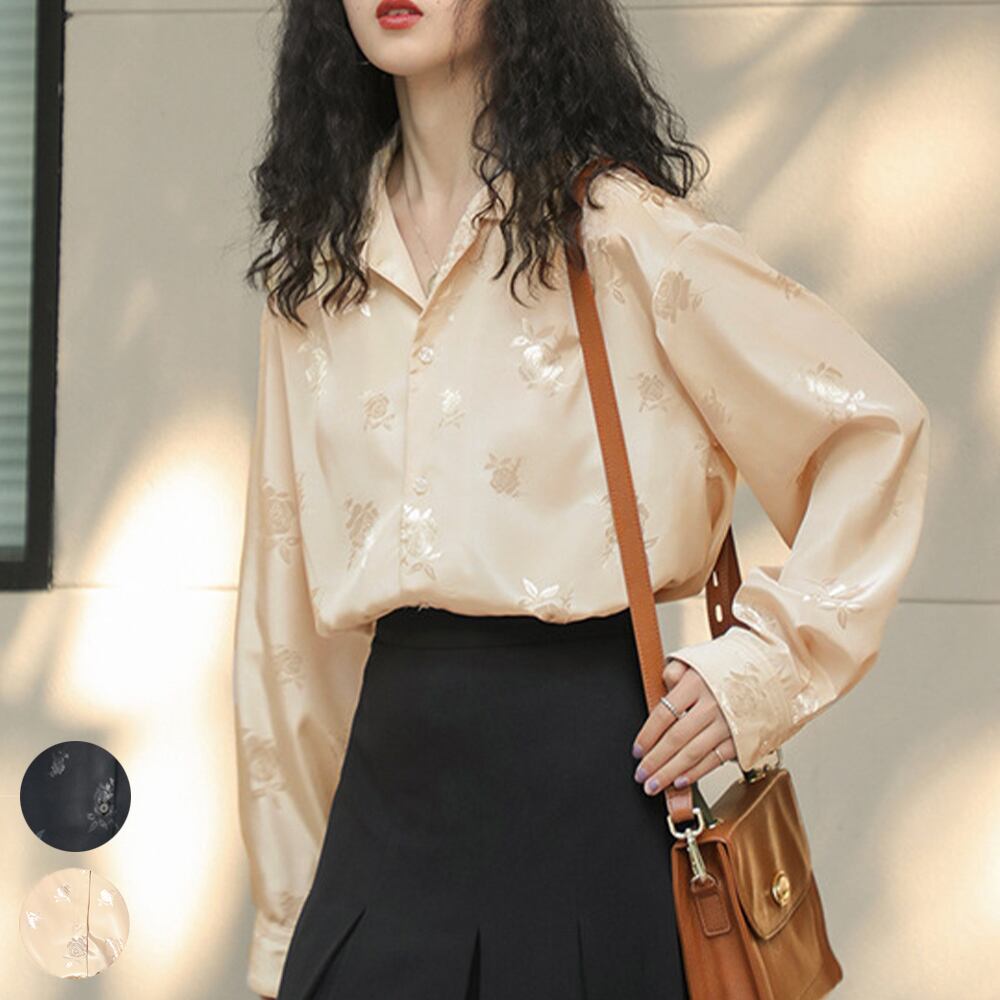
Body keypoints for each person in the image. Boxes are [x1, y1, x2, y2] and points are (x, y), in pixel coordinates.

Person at [232, 1, 931, 998]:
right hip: (381, 830)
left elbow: (869, 429)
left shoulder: (619, 230)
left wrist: (762, 667)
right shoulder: (316, 272)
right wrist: (285, 924)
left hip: (592, 806)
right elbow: (285, 626)